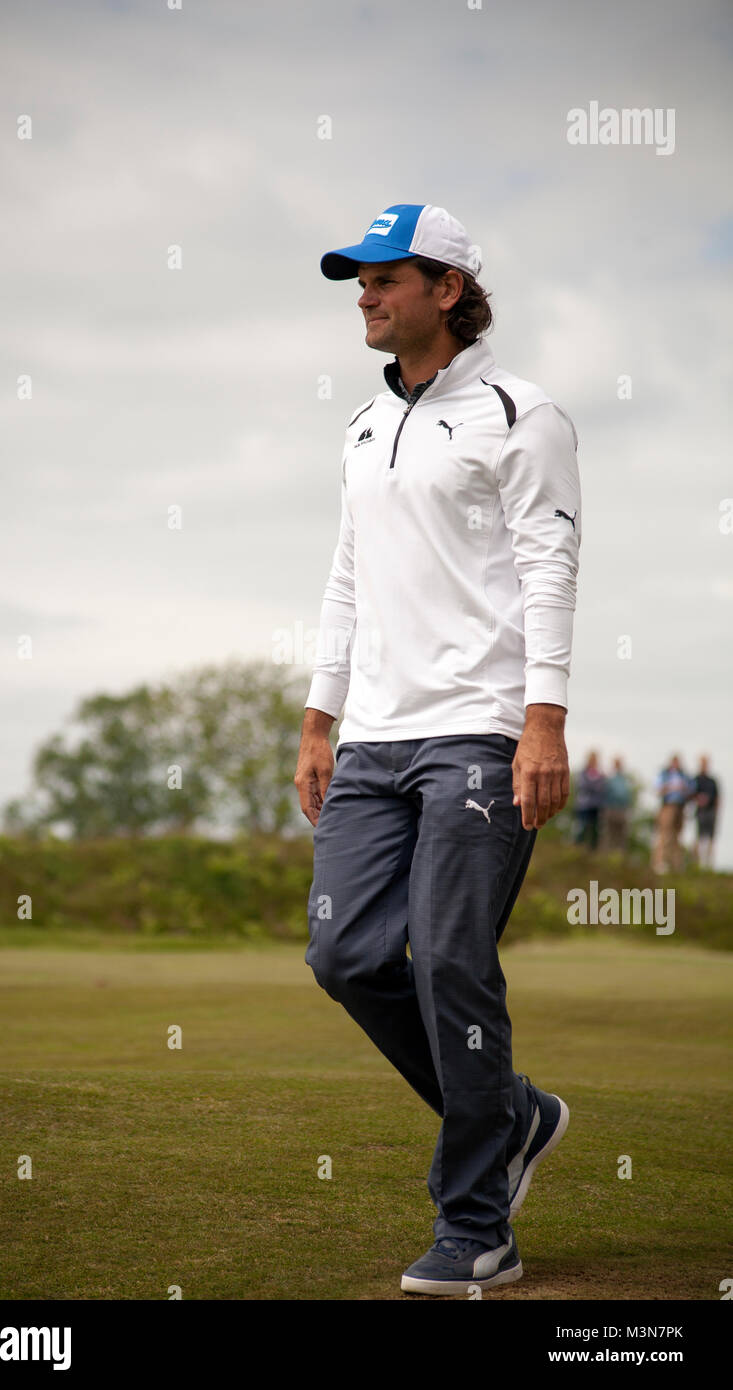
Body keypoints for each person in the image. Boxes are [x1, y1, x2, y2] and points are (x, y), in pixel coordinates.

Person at [294, 204, 581, 1296]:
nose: (364, 295)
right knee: (346, 957)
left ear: (448, 288)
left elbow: (550, 567)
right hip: (371, 738)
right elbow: (346, 579)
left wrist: (544, 718)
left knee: (453, 959)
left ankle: (476, 1225)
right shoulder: (367, 429)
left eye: (384, 277)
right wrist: (321, 719)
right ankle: (515, 1116)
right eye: (357, 280)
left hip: (481, 729)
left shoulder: (524, 413)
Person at [651, 754, 692, 874]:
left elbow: (690, 790)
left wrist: (683, 788)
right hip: (667, 806)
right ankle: (658, 862)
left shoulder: (684, 775)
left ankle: (676, 865)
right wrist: (670, 787)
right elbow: (657, 789)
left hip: (680, 808)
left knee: (677, 837)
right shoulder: (664, 775)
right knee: (664, 834)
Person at [690, 755, 720, 869]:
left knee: (711, 838)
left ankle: (709, 865)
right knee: (698, 837)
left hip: (711, 812)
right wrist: (698, 799)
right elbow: (691, 794)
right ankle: (696, 864)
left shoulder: (712, 781)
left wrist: (716, 812)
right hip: (700, 811)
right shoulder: (696, 779)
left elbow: (717, 797)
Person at [572, 750, 606, 850]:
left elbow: (602, 787)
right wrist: (595, 785)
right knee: (581, 827)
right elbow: (582, 785)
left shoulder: (599, 774)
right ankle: (577, 848)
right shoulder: (583, 772)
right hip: (584, 805)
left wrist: (594, 785)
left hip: (596, 806)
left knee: (595, 830)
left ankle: (591, 851)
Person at [602, 756, 634, 852]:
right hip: (611, 809)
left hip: (622, 810)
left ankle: (619, 856)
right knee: (609, 834)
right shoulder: (609, 778)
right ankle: (606, 855)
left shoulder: (624, 780)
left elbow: (627, 795)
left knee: (622, 835)